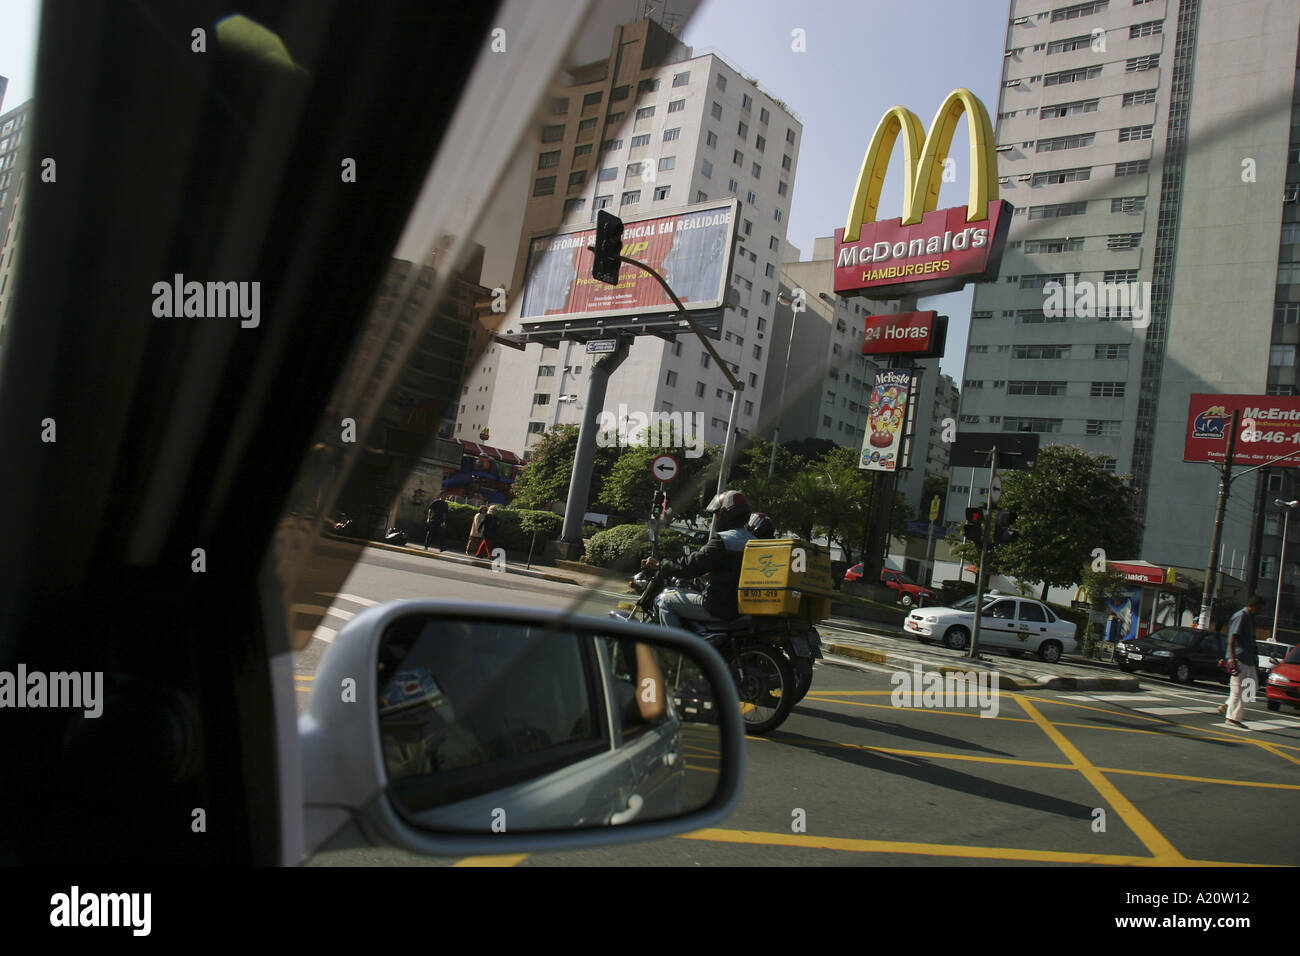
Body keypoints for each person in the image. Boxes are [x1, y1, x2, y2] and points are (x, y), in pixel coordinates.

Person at [640, 490, 754, 632]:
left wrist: (659, 564)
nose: (717, 518)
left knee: (665, 601)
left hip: (719, 607)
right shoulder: (754, 541)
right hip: (742, 608)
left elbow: (691, 566)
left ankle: (679, 651)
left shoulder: (723, 540)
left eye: (718, 513)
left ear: (726, 514)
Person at [1219, 595, 1263, 728]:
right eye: (1260, 608)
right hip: (1239, 658)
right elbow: (1233, 637)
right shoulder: (1241, 616)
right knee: (1239, 690)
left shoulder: (1250, 618)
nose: (1260, 611)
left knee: (1251, 687)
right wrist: (1232, 658)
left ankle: (1228, 704)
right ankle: (1233, 718)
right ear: (1253, 606)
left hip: (1248, 659)